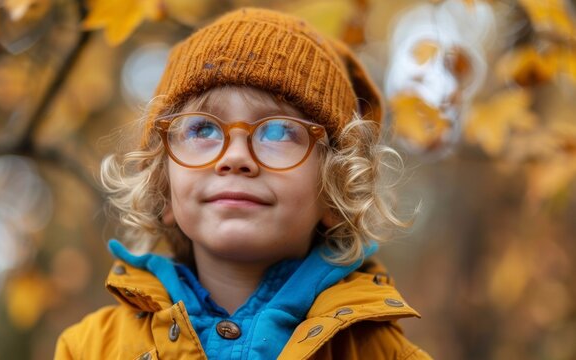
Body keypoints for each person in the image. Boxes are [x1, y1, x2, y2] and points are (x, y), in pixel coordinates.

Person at [55, 7, 431, 360]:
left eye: (280, 131)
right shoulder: (90, 348)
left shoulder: (381, 353)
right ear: (163, 188)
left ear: (336, 191)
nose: (235, 157)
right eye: (202, 128)